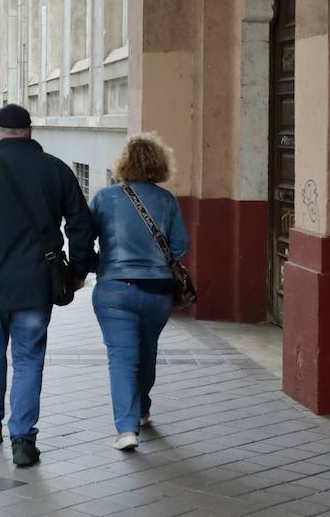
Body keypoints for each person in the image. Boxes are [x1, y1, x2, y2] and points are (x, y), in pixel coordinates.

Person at [0, 104, 94, 467]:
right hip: (37, 283)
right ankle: (23, 439)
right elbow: (81, 225)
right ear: (30, 130)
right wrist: (79, 269)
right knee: (28, 358)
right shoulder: (56, 170)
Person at [86, 133, 189, 451]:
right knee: (147, 352)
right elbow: (180, 246)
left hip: (114, 289)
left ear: (124, 163)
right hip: (157, 291)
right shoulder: (167, 200)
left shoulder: (105, 197)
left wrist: (93, 265)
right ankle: (143, 408)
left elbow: (84, 236)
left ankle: (126, 429)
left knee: (121, 357)